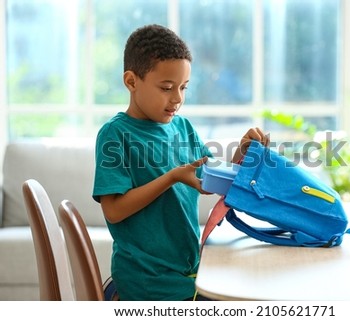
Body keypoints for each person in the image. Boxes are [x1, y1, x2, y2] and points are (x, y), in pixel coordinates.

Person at [92, 24, 269, 301]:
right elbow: (114, 211)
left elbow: (209, 182)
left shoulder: (182, 128)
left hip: (188, 273)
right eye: (166, 87)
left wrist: (241, 155)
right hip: (147, 282)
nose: (177, 98)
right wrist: (171, 177)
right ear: (131, 81)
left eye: (184, 87)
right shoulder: (116, 135)